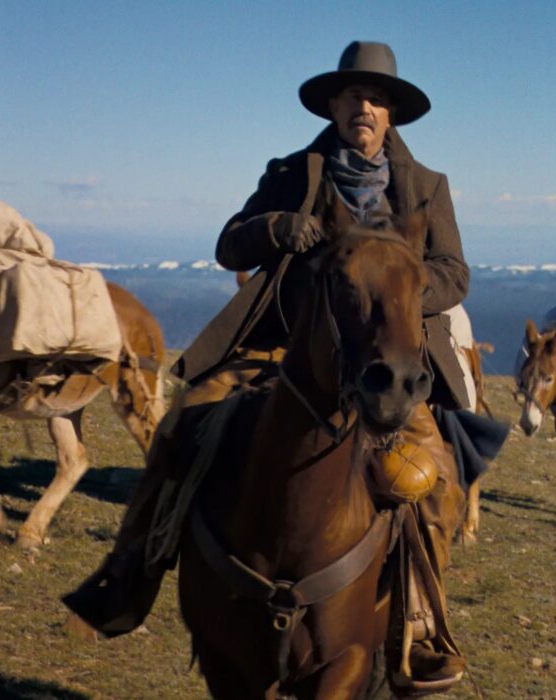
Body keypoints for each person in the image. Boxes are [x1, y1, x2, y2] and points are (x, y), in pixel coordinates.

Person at [65, 41, 471, 690]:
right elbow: (230, 244)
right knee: (182, 427)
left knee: (433, 476)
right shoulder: (289, 172)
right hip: (276, 350)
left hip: (379, 361)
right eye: (353, 95)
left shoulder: (426, 187)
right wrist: (275, 227)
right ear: (333, 104)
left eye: (377, 98)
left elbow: (454, 272)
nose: (364, 108)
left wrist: (396, 289)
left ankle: (420, 623)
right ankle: (130, 571)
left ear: (391, 112)